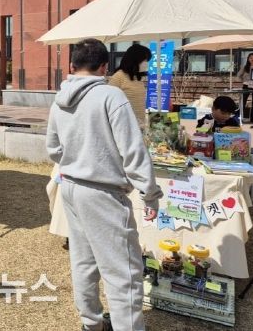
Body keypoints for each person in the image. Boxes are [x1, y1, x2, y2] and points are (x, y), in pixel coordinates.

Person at [46, 39, 162, 331]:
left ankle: (91, 324)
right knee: (123, 271)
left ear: (72, 65)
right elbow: (133, 151)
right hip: (103, 191)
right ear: (104, 67)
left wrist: (77, 161)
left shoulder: (59, 99)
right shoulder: (110, 95)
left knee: (83, 262)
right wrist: (149, 193)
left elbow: (53, 149)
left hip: (71, 186)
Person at [108, 44, 151, 126]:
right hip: (124, 126)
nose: (146, 64)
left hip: (139, 126)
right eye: (144, 60)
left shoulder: (137, 78)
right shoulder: (118, 77)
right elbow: (109, 103)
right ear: (135, 60)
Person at [237, 52, 253, 123]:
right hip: (246, 85)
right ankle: (240, 118)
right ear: (248, 59)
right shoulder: (245, 67)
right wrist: (243, 81)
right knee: (243, 101)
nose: (252, 59)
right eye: (250, 58)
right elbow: (238, 75)